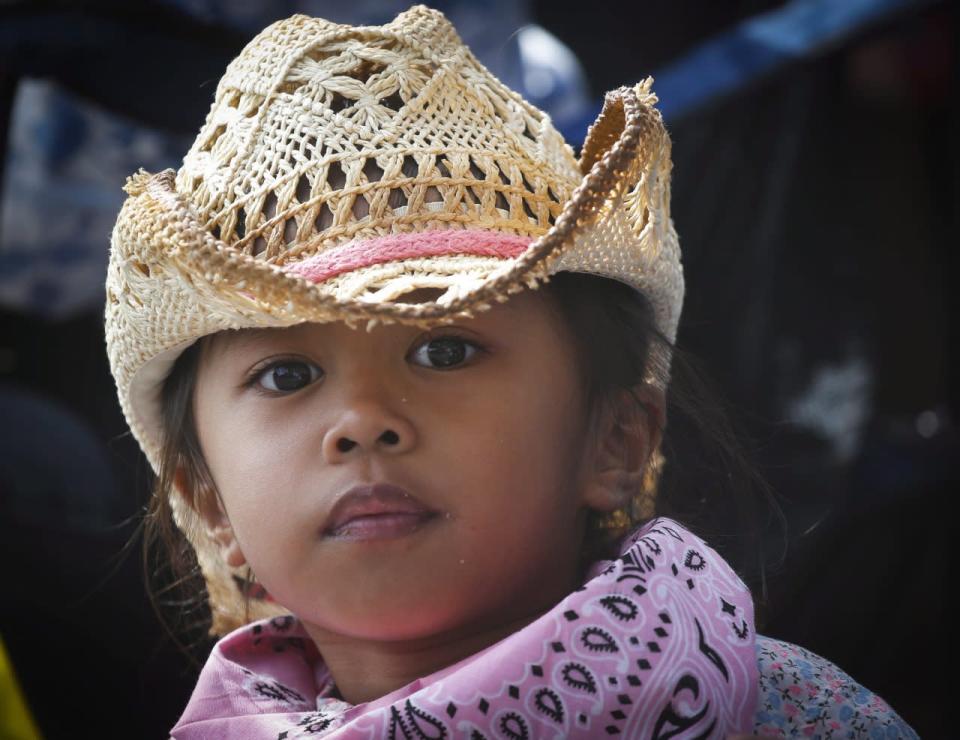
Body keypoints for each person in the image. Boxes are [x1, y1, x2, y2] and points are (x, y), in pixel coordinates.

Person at [104, 6, 917, 737]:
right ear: (209, 502)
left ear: (615, 442)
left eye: (444, 350)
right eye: (286, 376)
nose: (361, 419)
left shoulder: (783, 718)